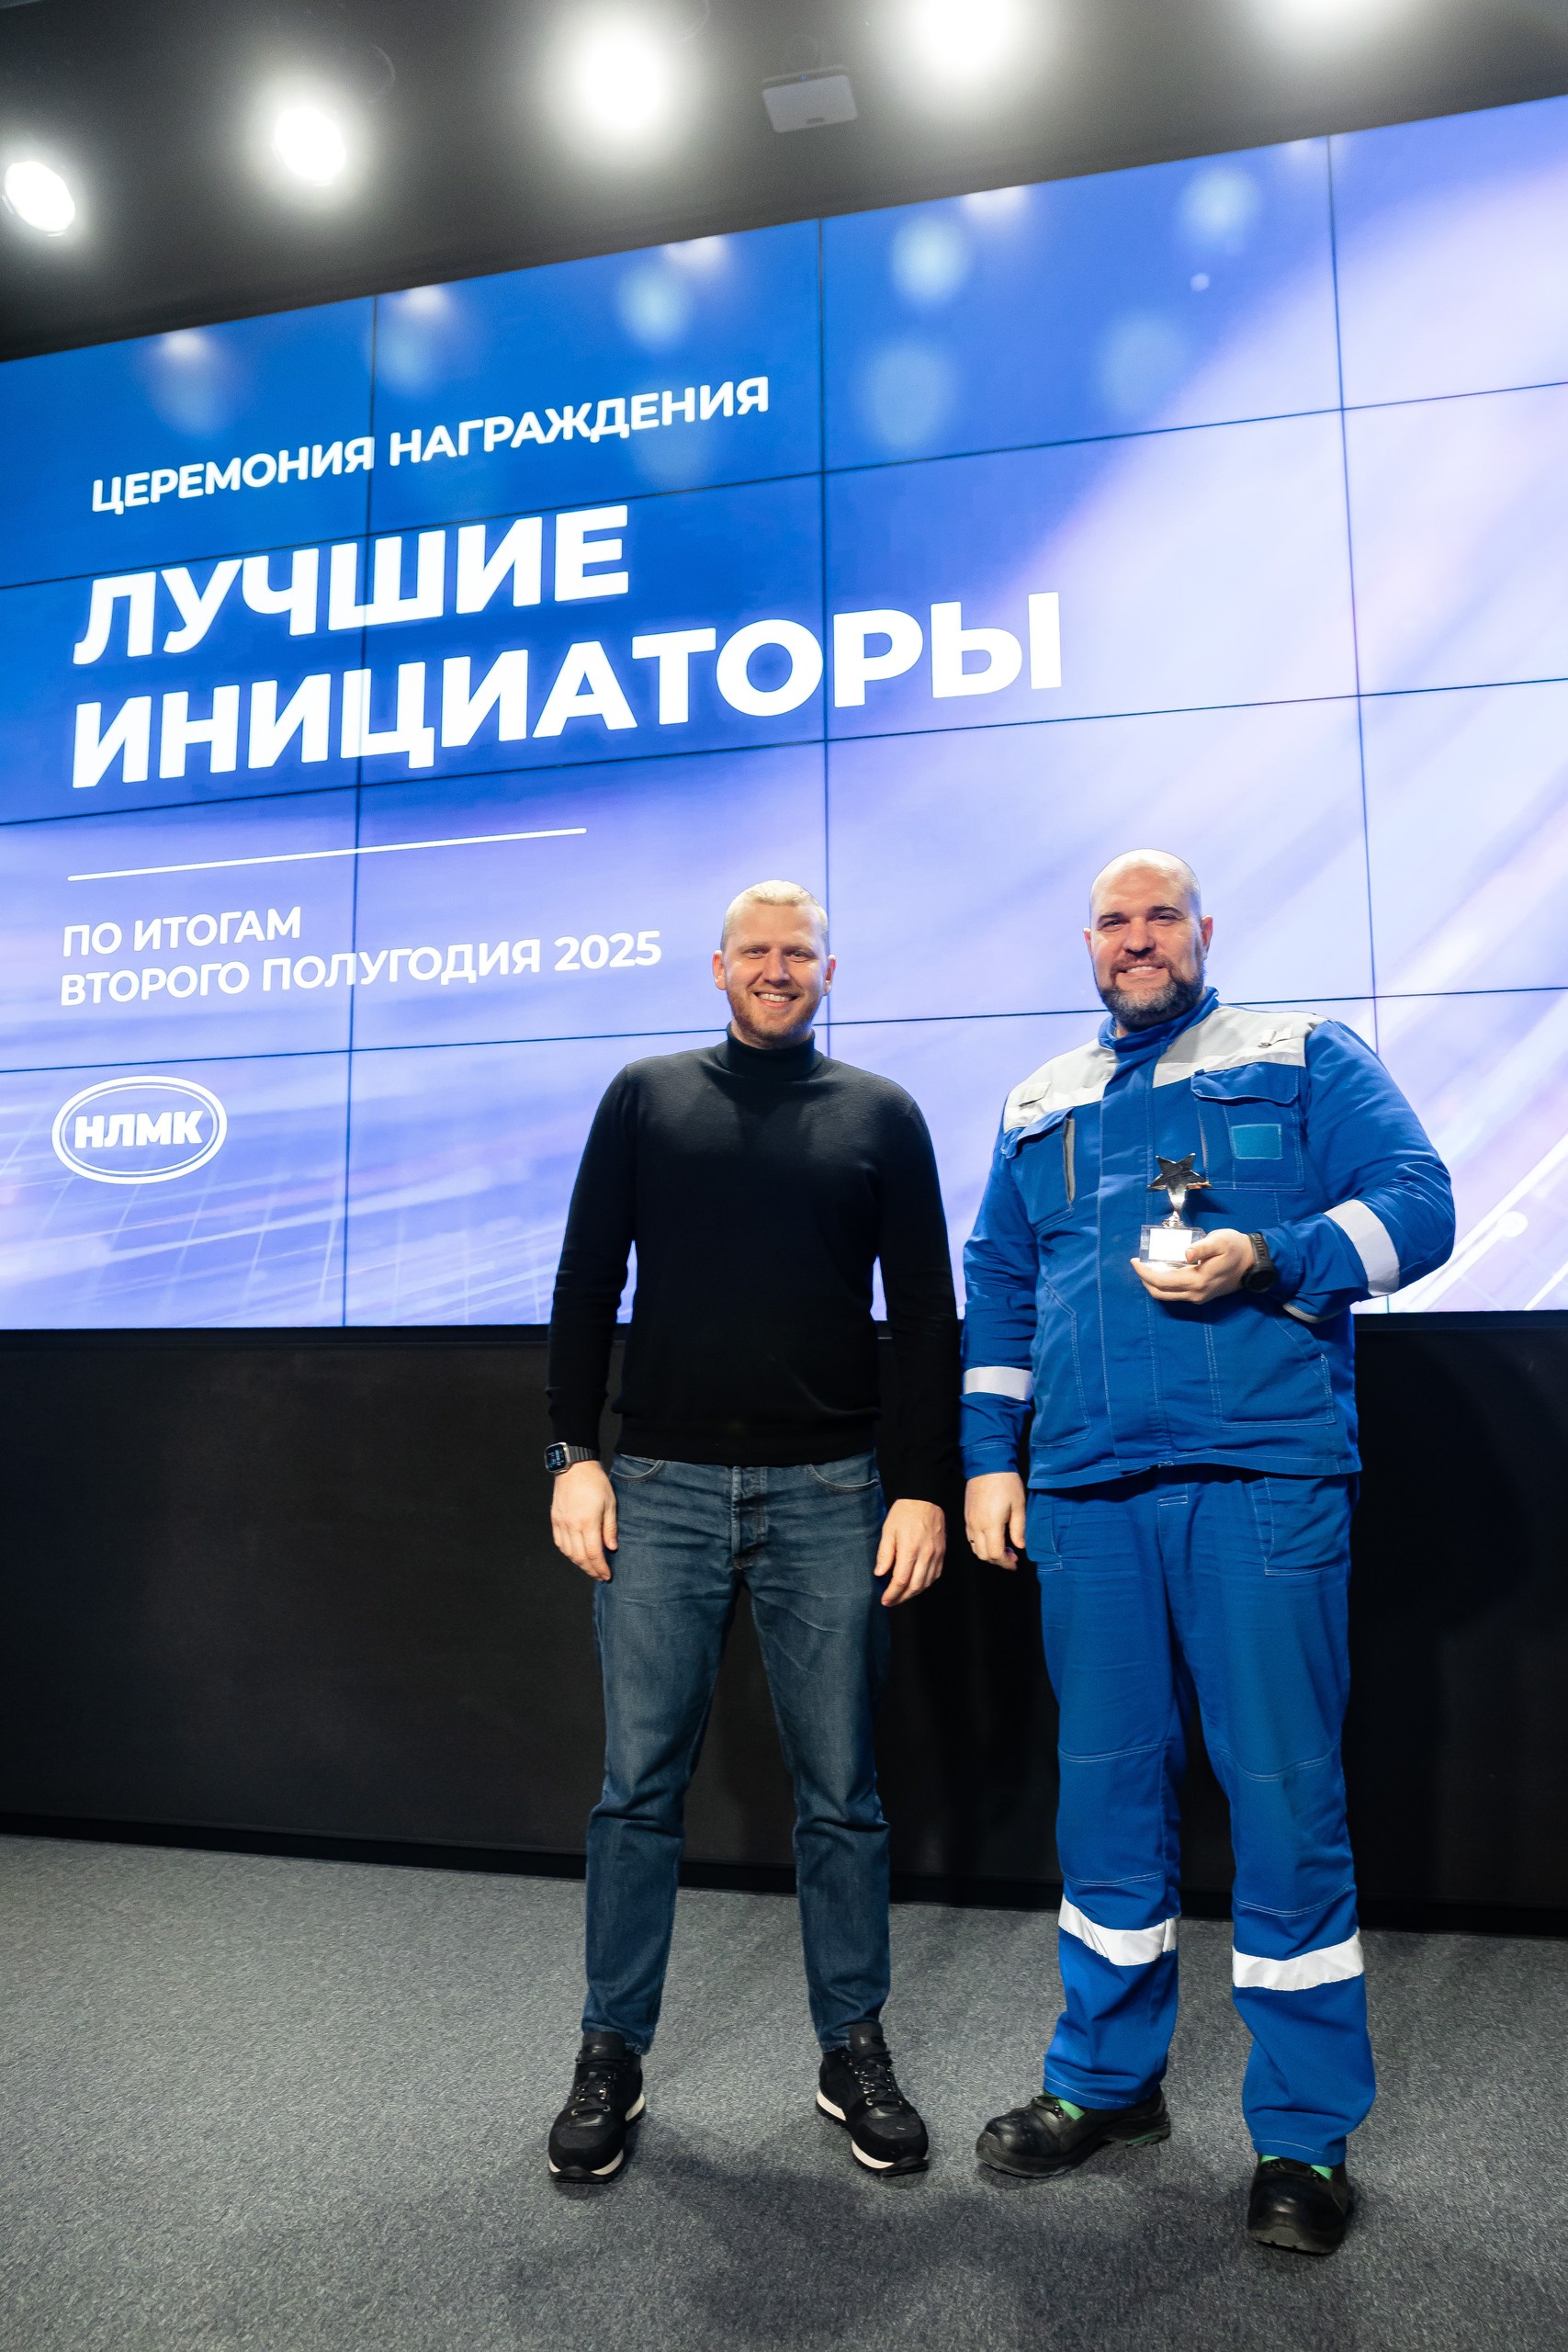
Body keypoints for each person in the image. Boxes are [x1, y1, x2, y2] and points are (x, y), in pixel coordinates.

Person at [961, 851, 1454, 2255]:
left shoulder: (1300, 1053)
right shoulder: (1038, 1099)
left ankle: (1302, 2136)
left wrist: (1271, 1256)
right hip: (1086, 1492)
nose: (1138, 940)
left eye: (1160, 917)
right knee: (1105, 1798)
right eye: (1114, 923)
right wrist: (991, 1459)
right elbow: (999, 1285)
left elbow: (1419, 1203)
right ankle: (1106, 2084)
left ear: (1203, 931)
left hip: (1263, 1483)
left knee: (1285, 1801)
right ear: (1089, 944)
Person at [543, 879, 959, 2183]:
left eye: (800, 954)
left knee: (843, 1797)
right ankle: (611, 2053)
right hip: (658, 1487)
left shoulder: (882, 1114)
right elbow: (584, 1280)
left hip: (833, 1494)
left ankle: (852, 2050)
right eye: (756, 952)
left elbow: (927, 1315)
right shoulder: (645, 1097)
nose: (779, 969)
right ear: (717, 967)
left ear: (831, 971)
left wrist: (922, 1486)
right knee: (636, 1793)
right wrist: (571, 1454)